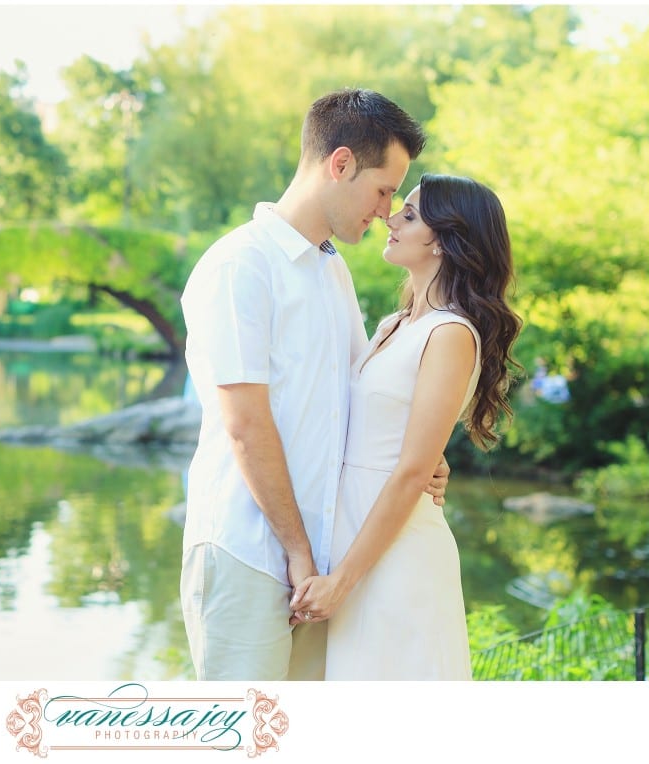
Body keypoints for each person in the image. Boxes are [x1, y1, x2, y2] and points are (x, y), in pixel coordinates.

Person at [179, 88, 449, 681]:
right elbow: (246, 426)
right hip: (248, 552)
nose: (387, 210)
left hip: (320, 564)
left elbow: (358, 396)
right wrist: (298, 554)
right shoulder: (239, 266)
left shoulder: (333, 271)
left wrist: (421, 456)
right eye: (383, 190)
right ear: (341, 163)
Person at [289, 174, 523, 679]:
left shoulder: (451, 333)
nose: (390, 219)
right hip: (353, 541)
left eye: (410, 215)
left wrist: (343, 582)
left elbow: (413, 470)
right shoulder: (393, 326)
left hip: (397, 558)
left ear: (442, 239)